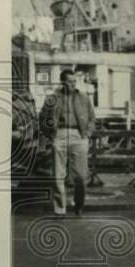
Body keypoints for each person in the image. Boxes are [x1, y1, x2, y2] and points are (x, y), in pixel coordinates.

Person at [39, 69, 94, 215]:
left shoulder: (84, 98)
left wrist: (87, 133)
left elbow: (92, 119)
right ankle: (59, 210)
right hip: (60, 134)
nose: (73, 84)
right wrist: (50, 134)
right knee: (58, 175)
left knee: (81, 176)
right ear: (62, 82)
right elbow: (43, 117)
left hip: (78, 135)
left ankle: (79, 205)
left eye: (74, 81)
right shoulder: (52, 98)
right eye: (70, 81)